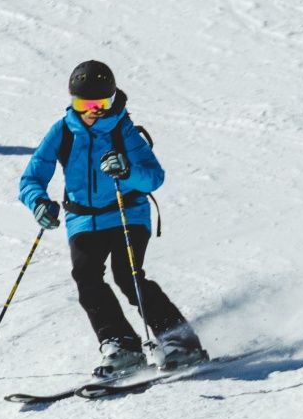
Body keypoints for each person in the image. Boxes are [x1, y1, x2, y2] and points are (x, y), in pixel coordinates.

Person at [18, 60, 208, 377]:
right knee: (86, 278)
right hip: (83, 219)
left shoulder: (124, 130)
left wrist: (127, 170)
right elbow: (31, 178)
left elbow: (153, 178)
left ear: (111, 99)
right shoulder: (64, 131)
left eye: (100, 103)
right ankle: (121, 344)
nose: (91, 110)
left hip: (127, 214)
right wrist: (38, 202)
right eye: (82, 103)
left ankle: (179, 340)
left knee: (128, 275)